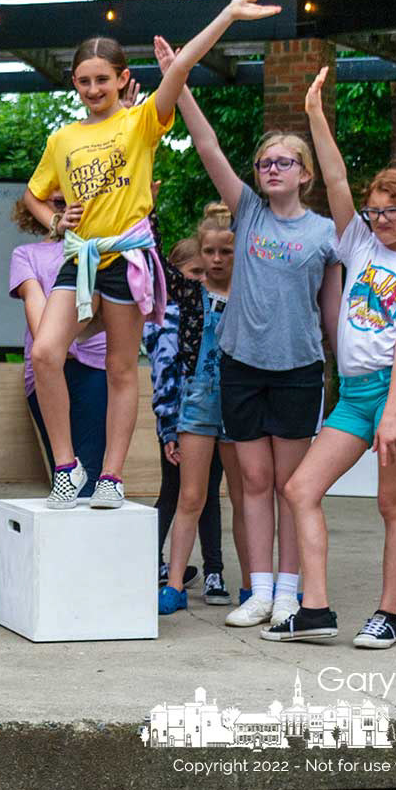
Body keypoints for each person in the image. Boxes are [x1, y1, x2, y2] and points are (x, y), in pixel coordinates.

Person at [23, 0, 281, 511]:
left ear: (122, 79)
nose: (93, 89)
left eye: (102, 79)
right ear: (74, 83)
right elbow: (33, 193)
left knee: (121, 369)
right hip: (82, 258)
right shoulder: (63, 138)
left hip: (128, 260)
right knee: (46, 352)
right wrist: (53, 219)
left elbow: (181, 67)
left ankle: (111, 477)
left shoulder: (141, 122)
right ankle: (68, 467)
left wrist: (227, 17)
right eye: (83, 81)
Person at [146, 38, 342, 631]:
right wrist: (176, 77)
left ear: (303, 174)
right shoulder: (248, 212)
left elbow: (332, 314)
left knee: (289, 485)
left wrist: (351, 374)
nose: (271, 169)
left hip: (298, 369)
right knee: (252, 482)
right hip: (241, 367)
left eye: (284, 162)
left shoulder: (326, 232)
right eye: (264, 163)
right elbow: (205, 145)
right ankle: (258, 591)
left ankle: (289, 591)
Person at [266, 69, 396, 650]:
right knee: (300, 490)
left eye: (392, 213)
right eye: (373, 212)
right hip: (354, 396)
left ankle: (388, 615)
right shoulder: (360, 242)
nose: (380, 222)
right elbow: (336, 177)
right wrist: (315, 112)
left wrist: (392, 415)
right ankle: (315, 610)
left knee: (391, 504)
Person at [157, 203, 242, 616]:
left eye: (226, 251)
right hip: (196, 403)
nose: (216, 259)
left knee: (245, 497)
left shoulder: (248, 292)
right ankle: (174, 585)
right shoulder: (190, 293)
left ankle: (255, 583)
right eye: (209, 251)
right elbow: (154, 257)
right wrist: (147, 205)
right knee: (191, 495)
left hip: (242, 403)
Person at [9, 193, 107, 501]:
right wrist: (57, 344)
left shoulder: (101, 250)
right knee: (64, 475)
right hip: (46, 369)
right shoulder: (26, 254)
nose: (66, 209)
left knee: (91, 476)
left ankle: (86, 547)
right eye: (56, 203)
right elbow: (42, 329)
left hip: (96, 366)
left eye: (71, 201)